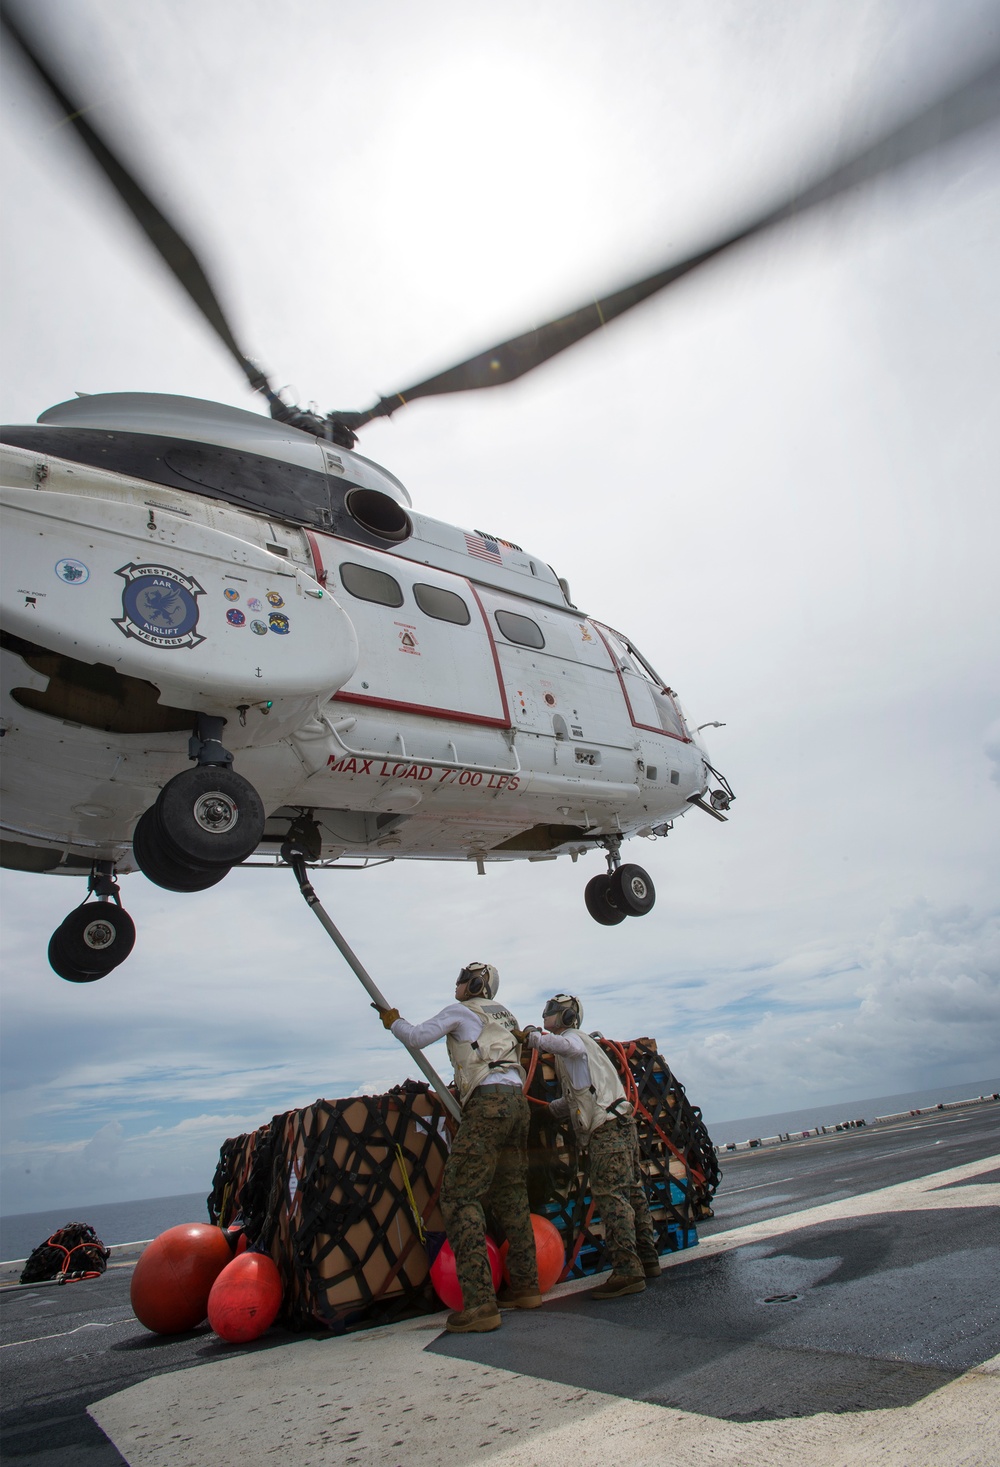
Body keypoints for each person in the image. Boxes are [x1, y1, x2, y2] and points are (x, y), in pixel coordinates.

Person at [376, 962, 540, 1333]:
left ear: (477, 983)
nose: (457, 983)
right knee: (512, 1195)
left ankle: (480, 1305)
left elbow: (417, 1037)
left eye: (463, 978)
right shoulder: (503, 1014)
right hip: (517, 1106)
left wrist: (393, 1022)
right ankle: (528, 1287)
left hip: (488, 1104)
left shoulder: (460, 1011)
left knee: (460, 1197)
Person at [522, 994, 660, 1298]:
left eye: (553, 1012)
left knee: (611, 1195)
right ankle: (648, 1259)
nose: (547, 1015)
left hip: (607, 1129)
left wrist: (533, 1038)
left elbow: (563, 1045)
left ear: (568, 1017)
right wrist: (547, 1111)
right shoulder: (578, 1052)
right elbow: (575, 1099)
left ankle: (627, 1271)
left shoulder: (573, 1039)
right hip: (621, 1123)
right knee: (632, 1190)